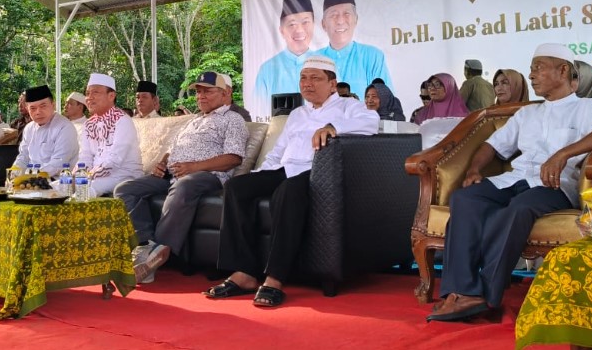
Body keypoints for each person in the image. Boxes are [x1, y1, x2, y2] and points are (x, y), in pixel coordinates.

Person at [427, 43, 592, 322]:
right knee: (465, 198)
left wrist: (563, 154)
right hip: (514, 179)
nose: (531, 75)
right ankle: (464, 292)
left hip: (554, 186)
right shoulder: (527, 113)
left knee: (519, 209)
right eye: (531, 69)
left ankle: (487, 294)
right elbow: (492, 146)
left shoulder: (587, 108)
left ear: (563, 70)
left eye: (538, 68)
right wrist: (473, 169)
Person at [203, 55, 379, 307]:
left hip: (316, 174)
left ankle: (275, 278)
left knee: (288, 191)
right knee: (237, 187)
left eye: (315, 78)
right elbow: (279, 150)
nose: (307, 84)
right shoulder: (297, 113)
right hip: (286, 169)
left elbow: (371, 122)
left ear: (332, 84)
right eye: (303, 78)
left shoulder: (347, 107)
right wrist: (261, 174)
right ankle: (244, 272)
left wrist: (333, 126)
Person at [115, 71, 249, 284]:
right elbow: (173, 149)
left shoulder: (233, 119)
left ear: (227, 93)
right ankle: (145, 246)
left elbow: (234, 158)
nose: (200, 96)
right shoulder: (192, 121)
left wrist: (194, 167)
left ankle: (157, 253)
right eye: (198, 92)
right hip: (172, 174)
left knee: (184, 185)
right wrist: (162, 162)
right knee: (125, 189)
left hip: (207, 176)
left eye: (208, 91)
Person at [316, 0, 392, 98]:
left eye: (346, 13)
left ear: (356, 19)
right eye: (333, 15)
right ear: (323, 24)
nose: (340, 21)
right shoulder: (313, 61)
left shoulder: (372, 57)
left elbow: (386, 102)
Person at [79, 73, 144, 196]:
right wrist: (77, 174)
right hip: (96, 175)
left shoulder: (122, 120)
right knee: (61, 185)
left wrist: (90, 175)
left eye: (95, 93)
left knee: (85, 189)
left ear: (111, 96)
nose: (89, 97)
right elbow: (85, 156)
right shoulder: (88, 124)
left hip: (123, 175)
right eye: (87, 93)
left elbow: (115, 160)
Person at [255, 0, 315, 101]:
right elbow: (258, 107)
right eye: (292, 24)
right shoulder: (267, 69)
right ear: (282, 30)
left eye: (305, 22)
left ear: (314, 25)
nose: (299, 30)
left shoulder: (327, 64)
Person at [12, 85, 78, 178]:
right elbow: (23, 157)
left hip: (59, 183)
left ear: (53, 105)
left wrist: (30, 177)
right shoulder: (29, 128)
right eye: (33, 108)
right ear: (28, 109)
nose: (38, 112)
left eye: (43, 106)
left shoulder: (65, 127)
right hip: (30, 181)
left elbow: (58, 164)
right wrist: (14, 172)